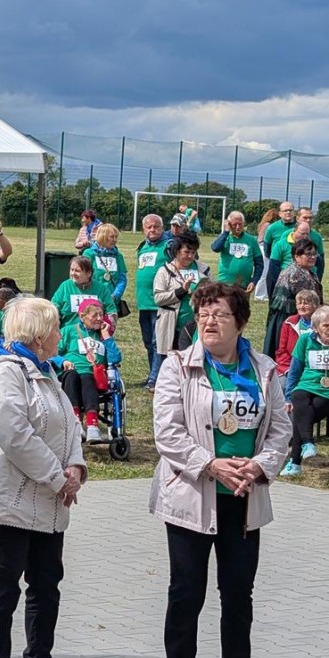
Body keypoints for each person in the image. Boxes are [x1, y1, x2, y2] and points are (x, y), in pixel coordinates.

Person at [150, 282, 290, 658]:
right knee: (186, 593)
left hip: (244, 499)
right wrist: (210, 464)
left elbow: (280, 430)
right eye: (203, 315)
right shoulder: (178, 366)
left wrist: (258, 466)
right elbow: (168, 433)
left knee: (238, 595)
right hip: (192, 497)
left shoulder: (264, 370)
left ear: (240, 322)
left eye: (219, 314)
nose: (209, 321)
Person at [0, 296, 87, 658]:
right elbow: (15, 435)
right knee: (3, 591)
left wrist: (76, 467)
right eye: (56, 329)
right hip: (11, 503)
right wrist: (58, 477)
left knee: (46, 587)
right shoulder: (4, 372)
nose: (60, 336)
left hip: (50, 504)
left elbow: (69, 424)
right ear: (38, 336)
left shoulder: (48, 372)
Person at [54, 299, 122, 443]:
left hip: (93, 376)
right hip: (69, 372)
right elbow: (52, 352)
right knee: (73, 375)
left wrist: (106, 336)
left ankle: (92, 425)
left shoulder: (102, 336)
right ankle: (75, 422)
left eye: (101, 315)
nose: (99, 318)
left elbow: (115, 358)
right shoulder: (69, 330)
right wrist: (62, 361)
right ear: (82, 316)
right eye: (94, 315)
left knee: (86, 377)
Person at [279, 304, 329, 477]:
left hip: (326, 391)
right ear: (316, 328)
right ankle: (308, 443)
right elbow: (295, 370)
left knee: (302, 417)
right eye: (326, 326)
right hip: (306, 385)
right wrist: (288, 397)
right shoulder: (305, 340)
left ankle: (295, 462)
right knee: (297, 396)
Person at [154, 231, 211, 363]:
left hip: (197, 326)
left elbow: (213, 297)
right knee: (173, 363)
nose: (190, 256)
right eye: (186, 252)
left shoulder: (204, 270)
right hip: (172, 326)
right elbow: (158, 298)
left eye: (193, 252)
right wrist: (181, 291)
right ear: (177, 251)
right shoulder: (164, 271)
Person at [263, 239, 322, 357]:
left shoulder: (304, 270)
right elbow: (308, 303)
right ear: (297, 256)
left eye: (314, 254)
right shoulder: (297, 274)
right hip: (290, 318)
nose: (312, 257)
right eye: (308, 254)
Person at [137, 214, 171, 391]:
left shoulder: (169, 246)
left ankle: (155, 378)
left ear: (162, 228)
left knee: (159, 342)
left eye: (156, 226)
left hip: (160, 304)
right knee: (148, 342)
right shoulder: (142, 247)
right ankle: (153, 373)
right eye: (149, 227)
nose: (152, 230)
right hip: (144, 304)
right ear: (143, 229)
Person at [50, 256, 117, 327]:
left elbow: (111, 310)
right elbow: (54, 307)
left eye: (77, 271)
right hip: (68, 331)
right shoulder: (65, 286)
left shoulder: (101, 289)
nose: (73, 273)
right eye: (72, 270)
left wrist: (107, 327)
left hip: (94, 332)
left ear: (88, 273)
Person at [211, 211, 263, 292]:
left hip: (244, 284)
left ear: (244, 224)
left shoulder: (252, 240)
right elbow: (215, 248)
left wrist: (254, 281)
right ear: (229, 224)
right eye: (234, 224)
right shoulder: (225, 238)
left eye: (240, 224)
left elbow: (259, 264)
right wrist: (226, 232)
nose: (238, 227)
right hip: (225, 283)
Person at [268, 220, 324, 291]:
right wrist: (279, 284)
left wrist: (316, 281)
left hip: (308, 282)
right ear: (294, 231)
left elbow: (319, 264)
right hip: (287, 282)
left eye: (307, 234)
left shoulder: (311, 246)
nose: (305, 236)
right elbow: (273, 266)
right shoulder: (280, 244)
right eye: (302, 234)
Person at [82, 222, 128, 305]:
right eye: (112, 237)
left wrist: (115, 296)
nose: (115, 240)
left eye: (116, 237)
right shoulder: (89, 253)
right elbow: (84, 277)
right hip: (93, 300)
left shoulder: (118, 256)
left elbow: (122, 279)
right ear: (102, 237)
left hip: (112, 301)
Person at [275, 289, 319, 375]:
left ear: (315, 306)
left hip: (315, 370)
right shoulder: (289, 323)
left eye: (306, 303)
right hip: (291, 368)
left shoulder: (323, 324)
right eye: (299, 303)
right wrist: (288, 370)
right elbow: (282, 352)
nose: (301, 306)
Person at [253, 207, 281, 301]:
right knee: (264, 272)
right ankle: (259, 295)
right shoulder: (269, 226)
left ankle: (262, 293)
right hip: (263, 248)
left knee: (263, 271)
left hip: (259, 247)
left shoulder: (263, 224)